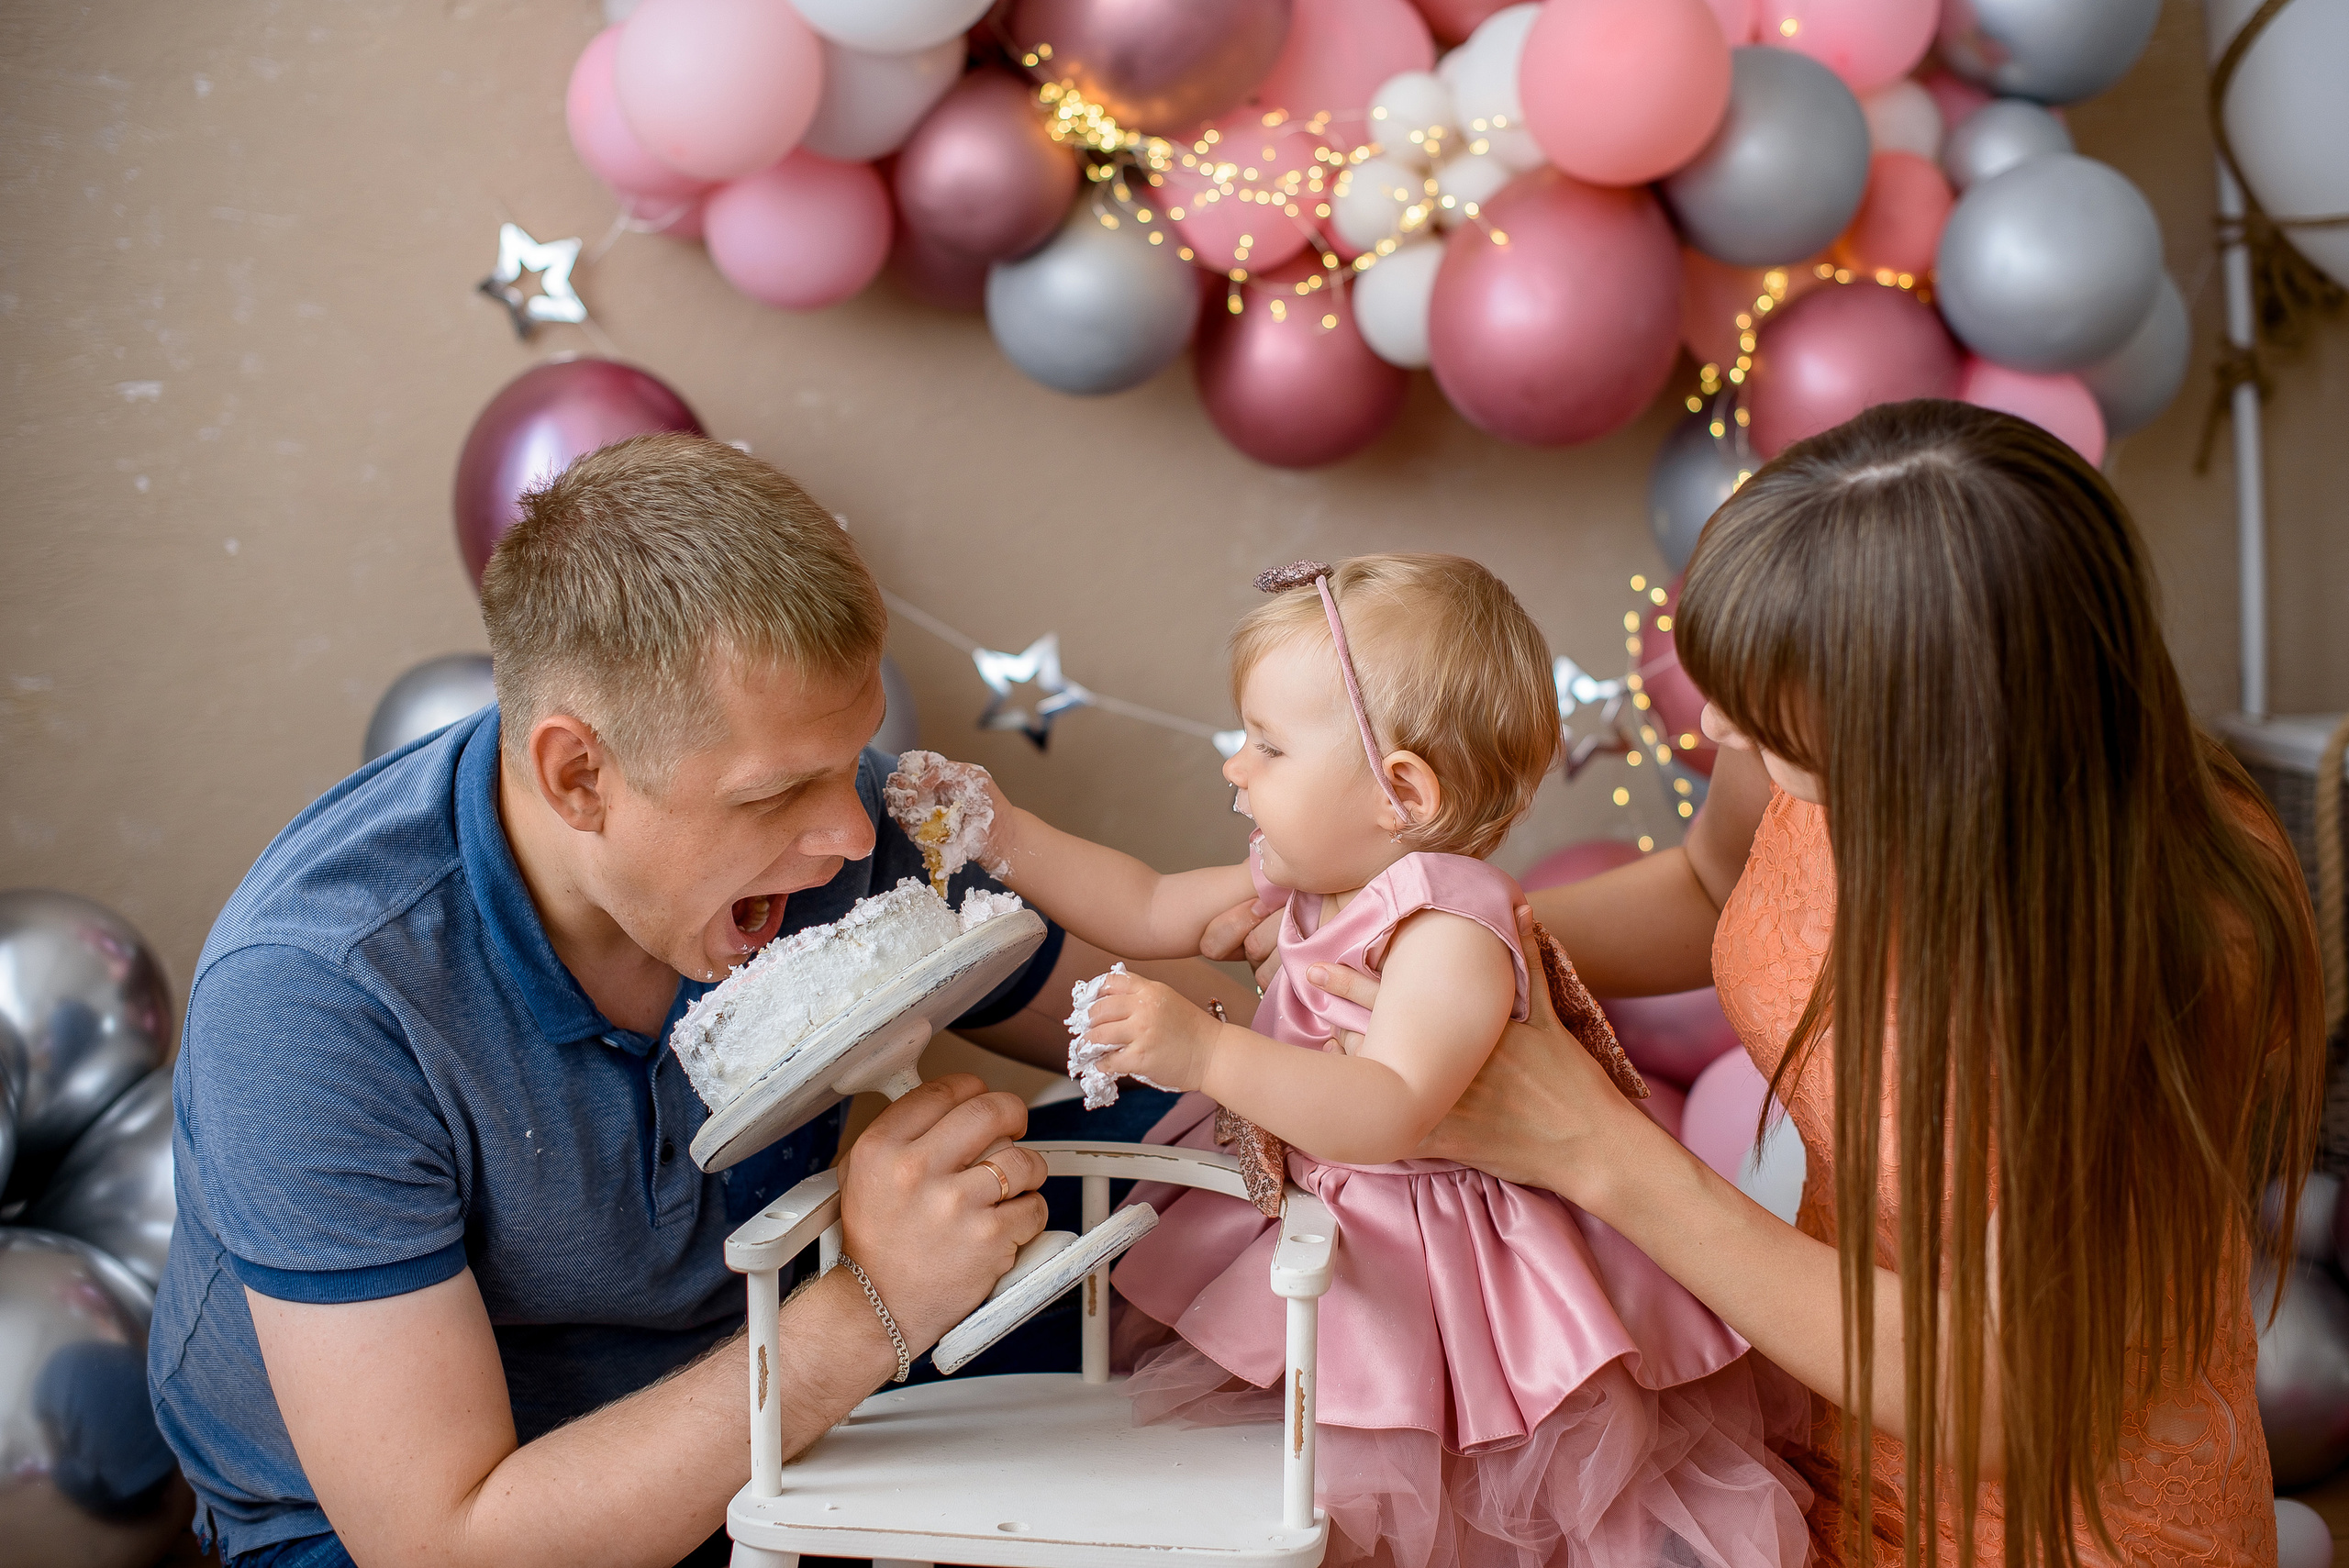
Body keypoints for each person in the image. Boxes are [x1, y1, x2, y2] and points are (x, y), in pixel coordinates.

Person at [1216, 403, 2327, 1565]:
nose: (1712, 723)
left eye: (1762, 711)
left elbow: (2006, 1395)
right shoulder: (1808, 751)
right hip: (1790, 1423)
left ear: (1941, 722)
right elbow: (1713, 884)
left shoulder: (2167, 937)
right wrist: (1428, 936)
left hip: (2047, 1511)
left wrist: (1596, 1150)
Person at [148, 434, 1230, 1568]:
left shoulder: (828, 836)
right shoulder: (317, 998)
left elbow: (1170, 1020)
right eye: (778, 793)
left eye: (851, 758)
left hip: (766, 1376)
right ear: (580, 776)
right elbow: (443, 1540)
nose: (855, 836)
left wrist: (1365, 1044)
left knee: (1233, 1144)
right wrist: (871, 1302)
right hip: (428, 1520)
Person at [918, 554, 1809, 1566]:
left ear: (1399, 790)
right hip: (1328, 1228)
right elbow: (1146, 902)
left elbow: (1388, 1109)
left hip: (1425, 1280)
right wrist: (1004, 830)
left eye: (1267, 745)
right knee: (1265, 1489)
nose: (1234, 765)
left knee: (1397, 1513)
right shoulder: (1315, 877)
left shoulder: (1449, 929)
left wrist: (1207, 1048)